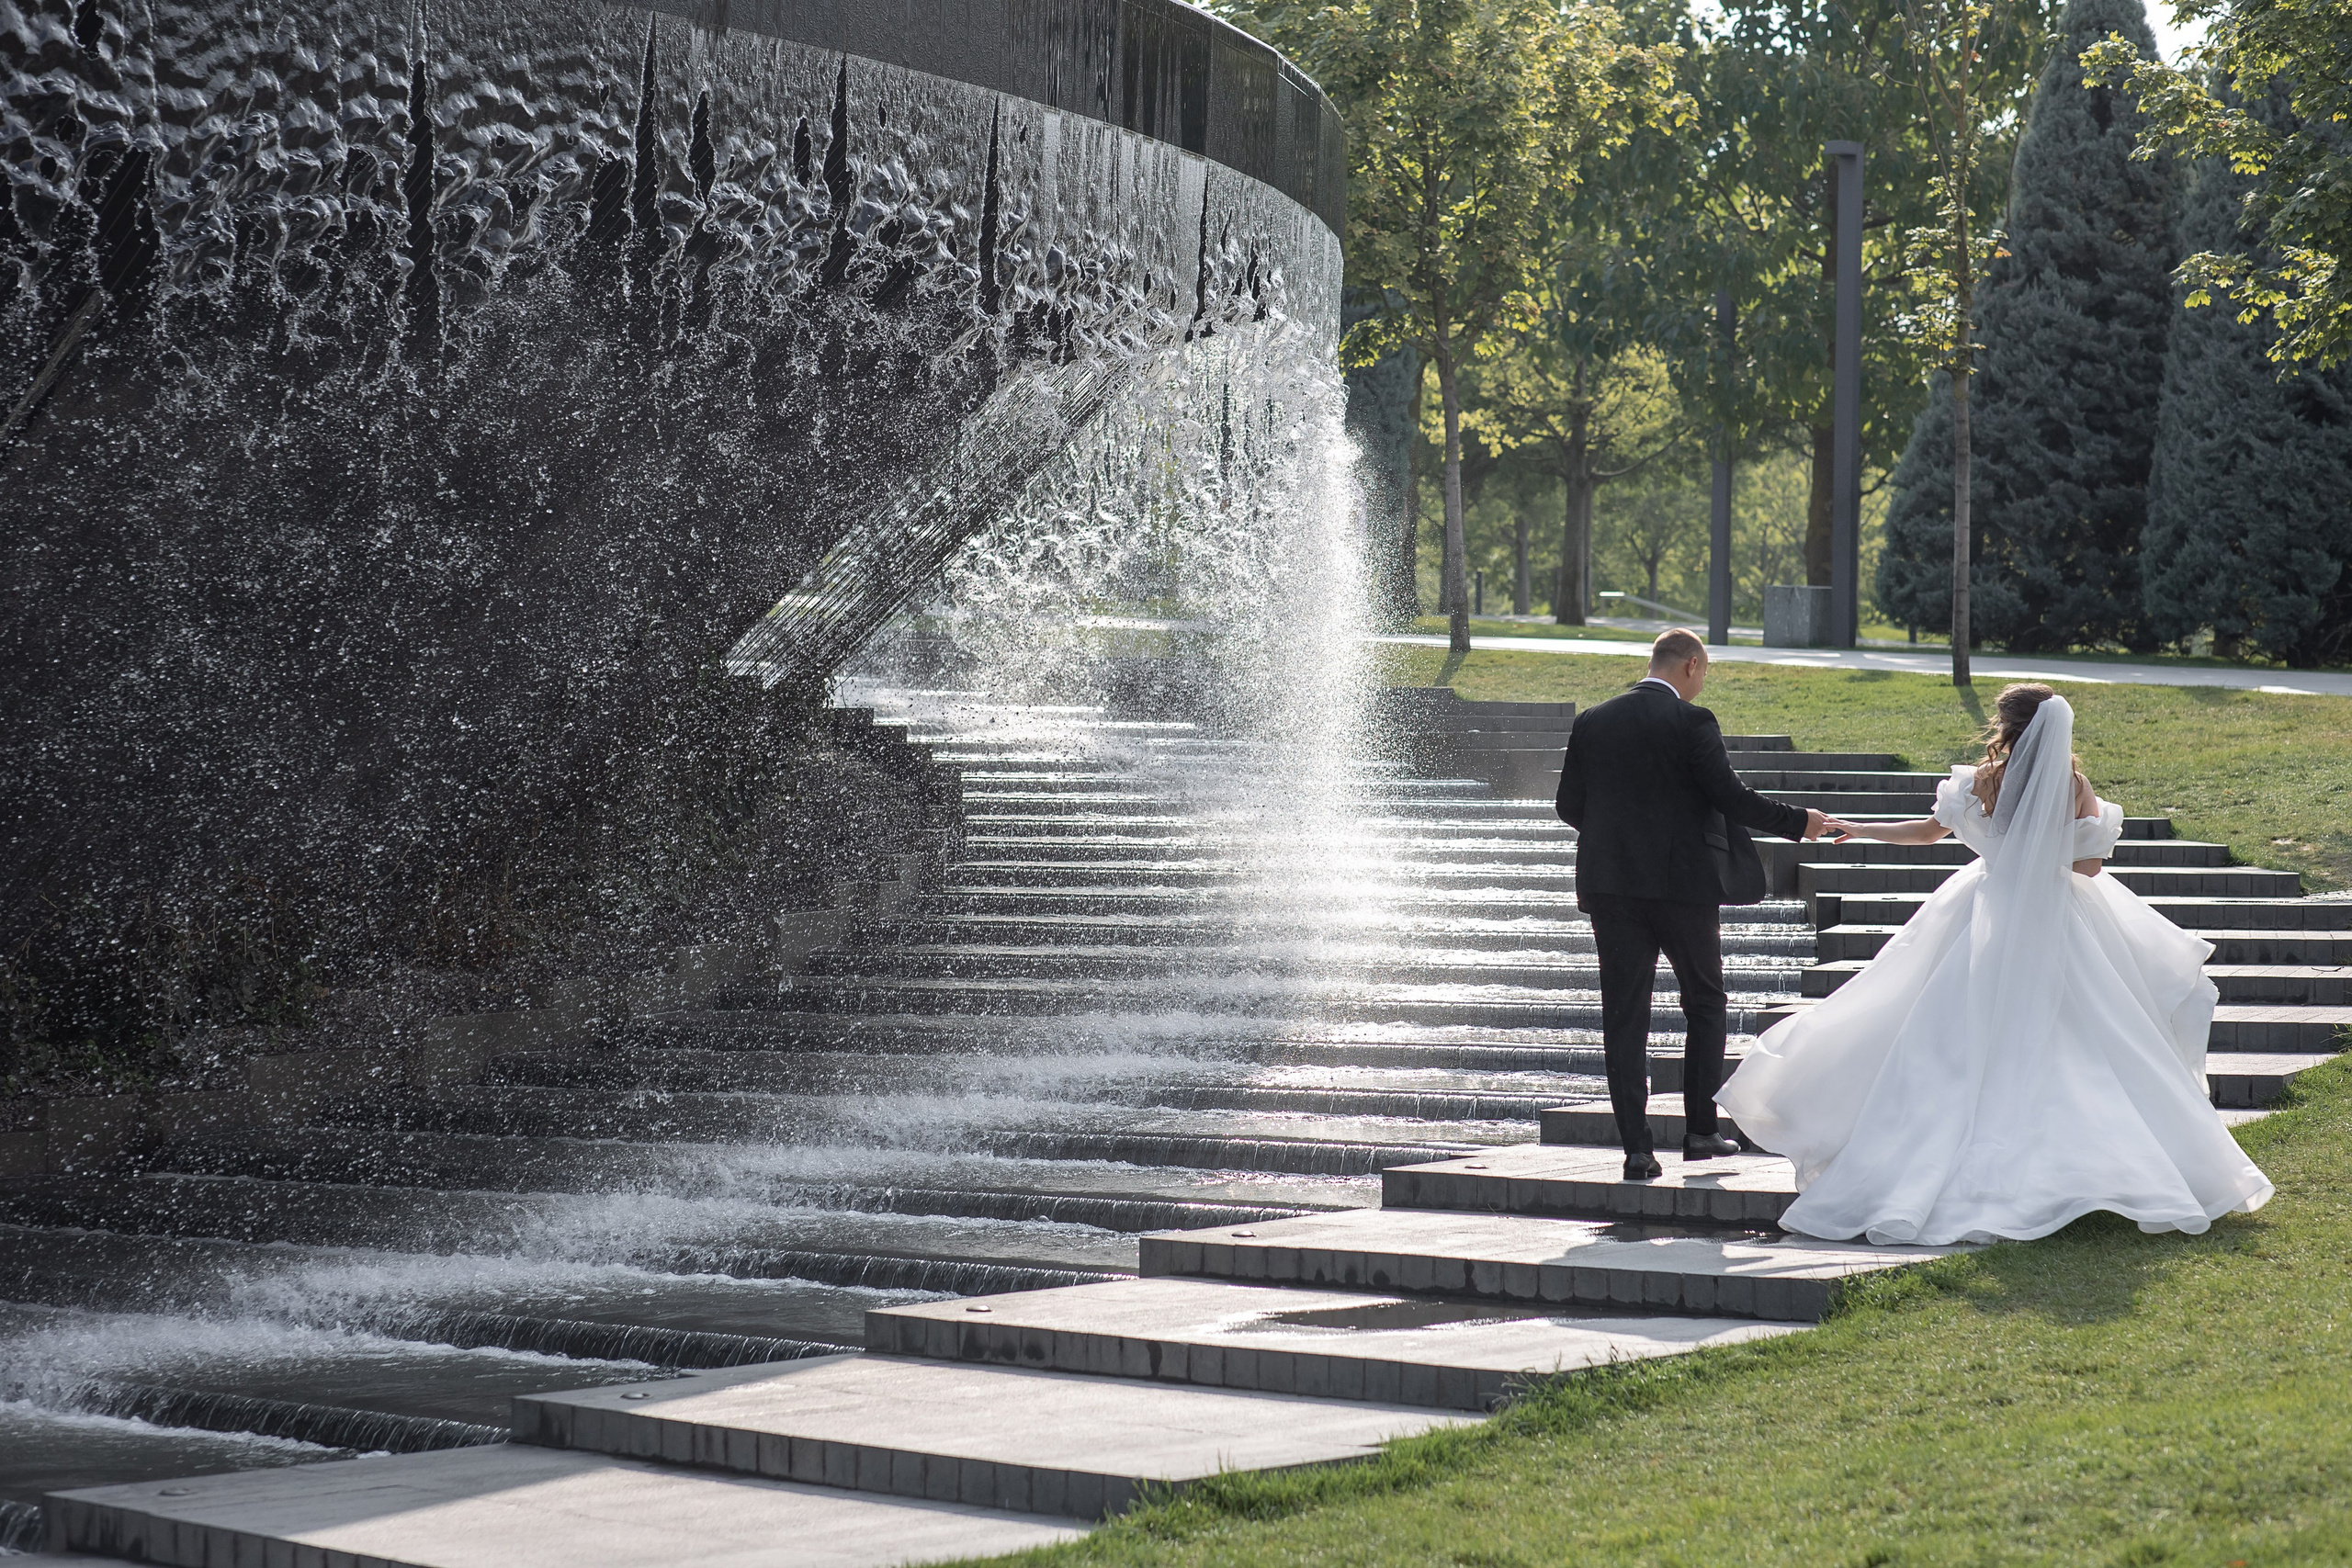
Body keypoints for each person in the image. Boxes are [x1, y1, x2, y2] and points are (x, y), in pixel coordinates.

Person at [1716, 682, 2273, 1245]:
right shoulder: (2074, 785)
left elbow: (1926, 834)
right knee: (2084, 1038)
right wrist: (2041, 852)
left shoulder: (1981, 781)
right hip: (2056, 916)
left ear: (2004, 728)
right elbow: (2090, 868)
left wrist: (1858, 828)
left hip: (1983, 910)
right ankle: (2093, 1169)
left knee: (1946, 1032)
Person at [1555, 628, 1826, 1180]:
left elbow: (1568, 805)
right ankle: (1700, 1132)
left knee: (1624, 1016)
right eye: (1703, 673)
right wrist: (1800, 822)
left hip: (1612, 889)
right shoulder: (1693, 722)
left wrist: (1619, 840)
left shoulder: (1593, 721)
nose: (1702, 682)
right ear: (1690, 665)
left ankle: (1637, 1150)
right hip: (1684, 890)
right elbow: (1730, 797)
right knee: (1704, 1001)